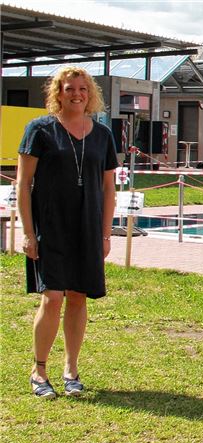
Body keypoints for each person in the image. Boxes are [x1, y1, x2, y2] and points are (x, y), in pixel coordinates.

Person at [17, 66, 117, 400]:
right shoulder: (40, 130)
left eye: (82, 89)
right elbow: (23, 183)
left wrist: (105, 233)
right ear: (58, 92)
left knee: (77, 296)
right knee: (53, 296)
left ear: (90, 94)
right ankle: (39, 370)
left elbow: (108, 187)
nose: (76, 94)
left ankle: (71, 370)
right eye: (69, 88)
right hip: (51, 226)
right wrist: (28, 232)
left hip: (87, 228)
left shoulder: (102, 134)